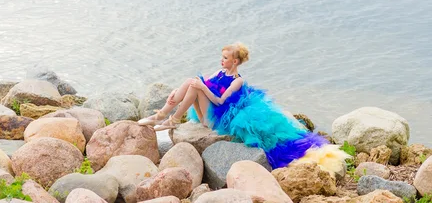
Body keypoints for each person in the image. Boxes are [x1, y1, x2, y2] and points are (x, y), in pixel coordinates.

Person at [138, 42, 349, 173]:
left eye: (225, 58)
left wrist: (200, 86)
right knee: (190, 81)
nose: (221, 61)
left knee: (197, 86)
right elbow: (201, 80)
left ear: (236, 61)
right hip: (205, 112)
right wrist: (180, 89)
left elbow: (220, 101)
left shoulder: (237, 80)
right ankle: (165, 115)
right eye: (221, 57)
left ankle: (170, 119)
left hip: (215, 119)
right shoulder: (218, 72)